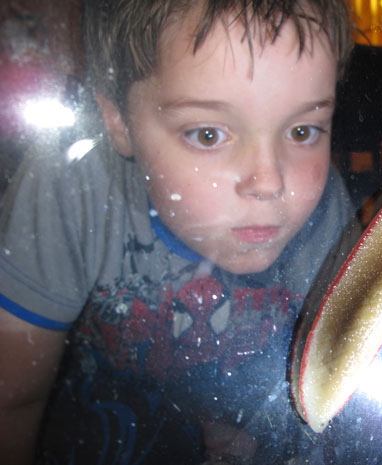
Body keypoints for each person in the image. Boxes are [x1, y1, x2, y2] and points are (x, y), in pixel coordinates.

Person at [0, 0, 357, 463]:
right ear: (117, 122)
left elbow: (344, 393)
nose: (269, 183)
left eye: (304, 131)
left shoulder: (325, 209)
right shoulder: (70, 190)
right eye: (208, 134)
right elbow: (13, 398)